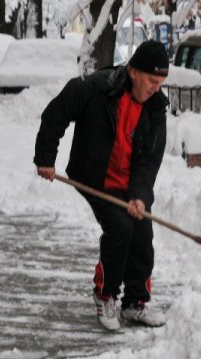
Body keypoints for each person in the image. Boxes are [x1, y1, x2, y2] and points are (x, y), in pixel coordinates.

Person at [33, 40, 169, 332]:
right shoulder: (98, 88)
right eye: (152, 80)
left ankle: (134, 303)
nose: (156, 88)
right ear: (133, 72)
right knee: (120, 228)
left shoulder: (156, 108)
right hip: (94, 177)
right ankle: (104, 294)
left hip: (129, 185)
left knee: (142, 233)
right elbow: (57, 112)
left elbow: (150, 161)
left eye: (161, 82)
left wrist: (140, 197)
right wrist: (45, 157)